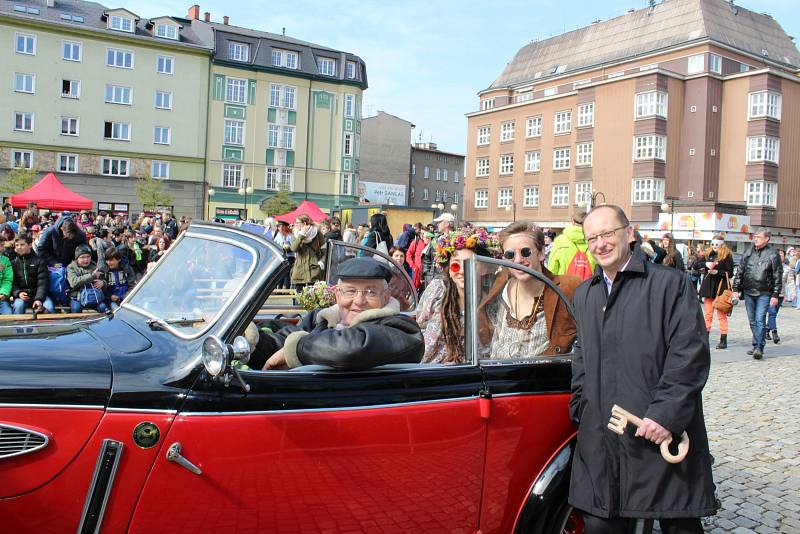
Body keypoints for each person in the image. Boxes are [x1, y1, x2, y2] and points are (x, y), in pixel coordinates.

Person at [569, 205, 716, 533]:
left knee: (677, 522)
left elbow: (689, 355)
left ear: (629, 233)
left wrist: (665, 415)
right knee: (601, 523)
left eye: (608, 234)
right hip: (604, 439)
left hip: (657, 435)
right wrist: (581, 405)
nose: (600, 244)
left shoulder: (669, 285)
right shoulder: (585, 294)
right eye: (592, 237)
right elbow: (581, 357)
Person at [258, 257, 423, 371]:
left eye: (370, 292)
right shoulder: (321, 319)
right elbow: (287, 338)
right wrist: (255, 341)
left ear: (385, 297)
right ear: (337, 295)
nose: (359, 301)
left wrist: (296, 349)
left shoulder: (402, 328)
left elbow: (353, 347)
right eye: (350, 291)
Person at [488, 222, 580, 359]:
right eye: (510, 255)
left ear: (542, 253)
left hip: (541, 377)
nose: (518, 260)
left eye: (526, 252)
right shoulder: (501, 288)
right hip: (499, 375)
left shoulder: (566, 288)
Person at [416, 228, 499, 363]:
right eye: (455, 265)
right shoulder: (438, 290)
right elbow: (420, 328)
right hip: (431, 370)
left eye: (469, 264)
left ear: (484, 268)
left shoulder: (492, 301)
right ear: (448, 270)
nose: (461, 271)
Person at [732, 228, 782, 360]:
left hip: (764, 292)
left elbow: (777, 275)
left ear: (767, 239)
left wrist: (775, 294)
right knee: (752, 320)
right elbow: (740, 271)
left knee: (760, 319)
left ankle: (759, 347)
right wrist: (735, 288)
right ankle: (756, 344)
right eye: (755, 237)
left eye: (758, 237)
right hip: (749, 291)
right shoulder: (749, 251)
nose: (756, 239)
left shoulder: (773, 254)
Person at [697, 236, 734, 349]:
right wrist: (705, 265)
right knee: (708, 315)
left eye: (716, 245)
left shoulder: (727, 256)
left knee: (721, 315)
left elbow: (730, 273)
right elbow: (696, 265)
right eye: (712, 244)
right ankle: (705, 338)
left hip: (720, 288)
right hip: (709, 287)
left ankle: (723, 339)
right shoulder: (708, 254)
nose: (714, 247)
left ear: (722, 245)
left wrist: (718, 272)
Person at [11, 232, 54, 314]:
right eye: (17, 245)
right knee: (18, 306)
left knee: (50, 307)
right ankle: (19, 327)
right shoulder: (13, 263)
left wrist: (39, 299)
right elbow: (12, 283)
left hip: (39, 295)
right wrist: (18, 293)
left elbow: (43, 283)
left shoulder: (40, 261)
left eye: (22, 245)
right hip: (21, 297)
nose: (19, 247)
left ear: (30, 245)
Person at [547, 209, 596, 279]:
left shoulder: (560, 241)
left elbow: (552, 269)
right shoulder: (594, 241)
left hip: (564, 288)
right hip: (589, 288)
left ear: (572, 221)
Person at [67, 245, 107, 313]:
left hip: (95, 297)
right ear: (77, 258)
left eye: (88, 256)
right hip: (77, 298)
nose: (86, 259)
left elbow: (105, 280)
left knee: (103, 307)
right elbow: (73, 282)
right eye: (82, 257)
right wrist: (92, 276)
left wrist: (103, 283)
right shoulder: (71, 267)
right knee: (76, 309)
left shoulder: (95, 266)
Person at [290, 214, 323, 291]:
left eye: (297, 222)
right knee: (298, 298)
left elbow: (325, 250)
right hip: (299, 270)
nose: (296, 224)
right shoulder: (296, 234)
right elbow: (294, 248)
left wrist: (321, 263)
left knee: (313, 299)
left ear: (304, 223)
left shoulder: (317, 234)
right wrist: (301, 235)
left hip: (314, 270)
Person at [272, 221, 295, 290]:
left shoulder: (290, 236)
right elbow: (275, 245)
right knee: (280, 273)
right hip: (281, 257)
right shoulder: (277, 235)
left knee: (287, 274)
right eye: (279, 227)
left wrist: (288, 248)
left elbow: (294, 247)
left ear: (285, 227)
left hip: (289, 256)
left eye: (282, 227)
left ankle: (286, 289)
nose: (280, 228)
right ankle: (279, 289)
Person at [0, 248, 12, 314]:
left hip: (1, 299)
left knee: (8, 314)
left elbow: (7, 280)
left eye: (2, 245)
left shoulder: (6, 260)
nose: (1, 248)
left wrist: (3, 293)